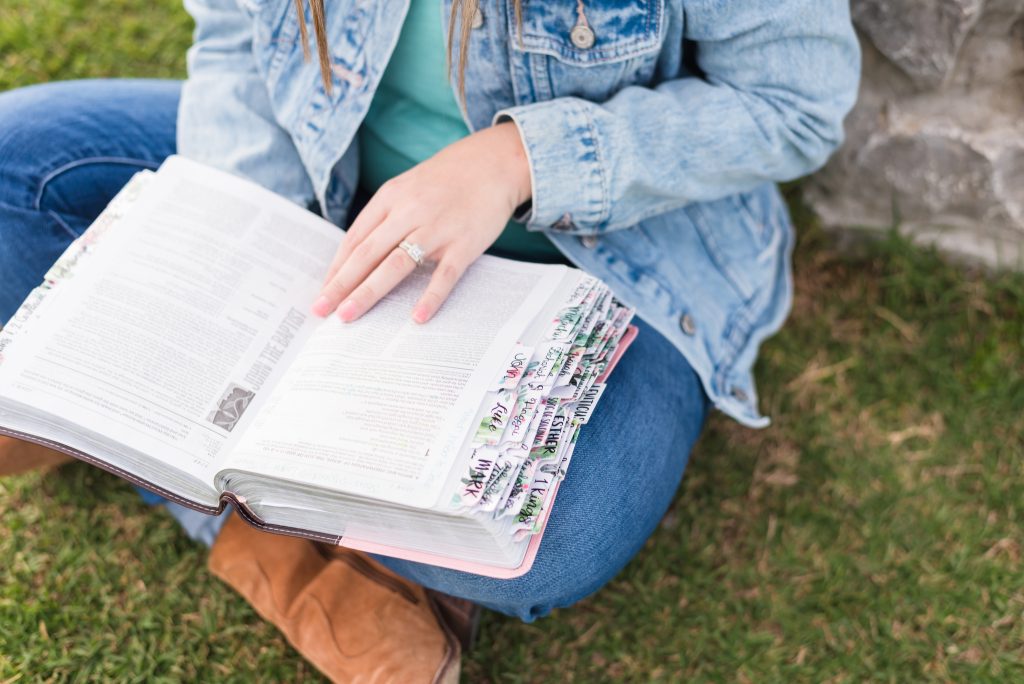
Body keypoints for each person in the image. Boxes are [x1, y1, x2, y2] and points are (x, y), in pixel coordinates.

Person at [0, 0, 860, 679]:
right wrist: (251, 245)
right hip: (337, 199)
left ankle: (196, 484)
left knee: (553, 539)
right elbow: (241, 31)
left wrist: (515, 161)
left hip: (606, 264)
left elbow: (792, 105)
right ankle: (264, 498)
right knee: (12, 168)